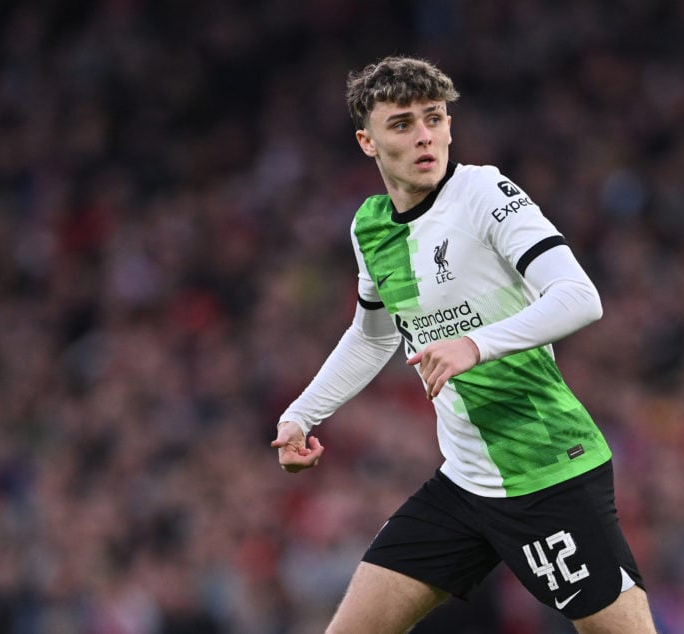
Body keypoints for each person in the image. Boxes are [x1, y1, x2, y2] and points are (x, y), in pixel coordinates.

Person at [271, 55, 658, 634]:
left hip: (547, 472)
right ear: (367, 142)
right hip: (464, 482)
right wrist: (302, 415)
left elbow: (580, 296)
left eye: (434, 117)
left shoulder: (485, 193)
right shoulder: (370, 228)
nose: (425, 135)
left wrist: (475, 345)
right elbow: (373, 336)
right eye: (402, 124)